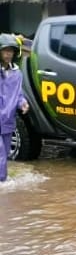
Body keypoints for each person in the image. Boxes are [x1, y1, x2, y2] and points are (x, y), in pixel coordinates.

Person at [0, 34, 29, 182]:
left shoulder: (17, 73)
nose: (8, 54)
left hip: (8, 121)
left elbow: (18, 94)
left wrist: (23, 103)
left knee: (4, 155)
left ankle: (3, 186)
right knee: (0, 156)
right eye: (5, 50)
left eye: (10, 51)